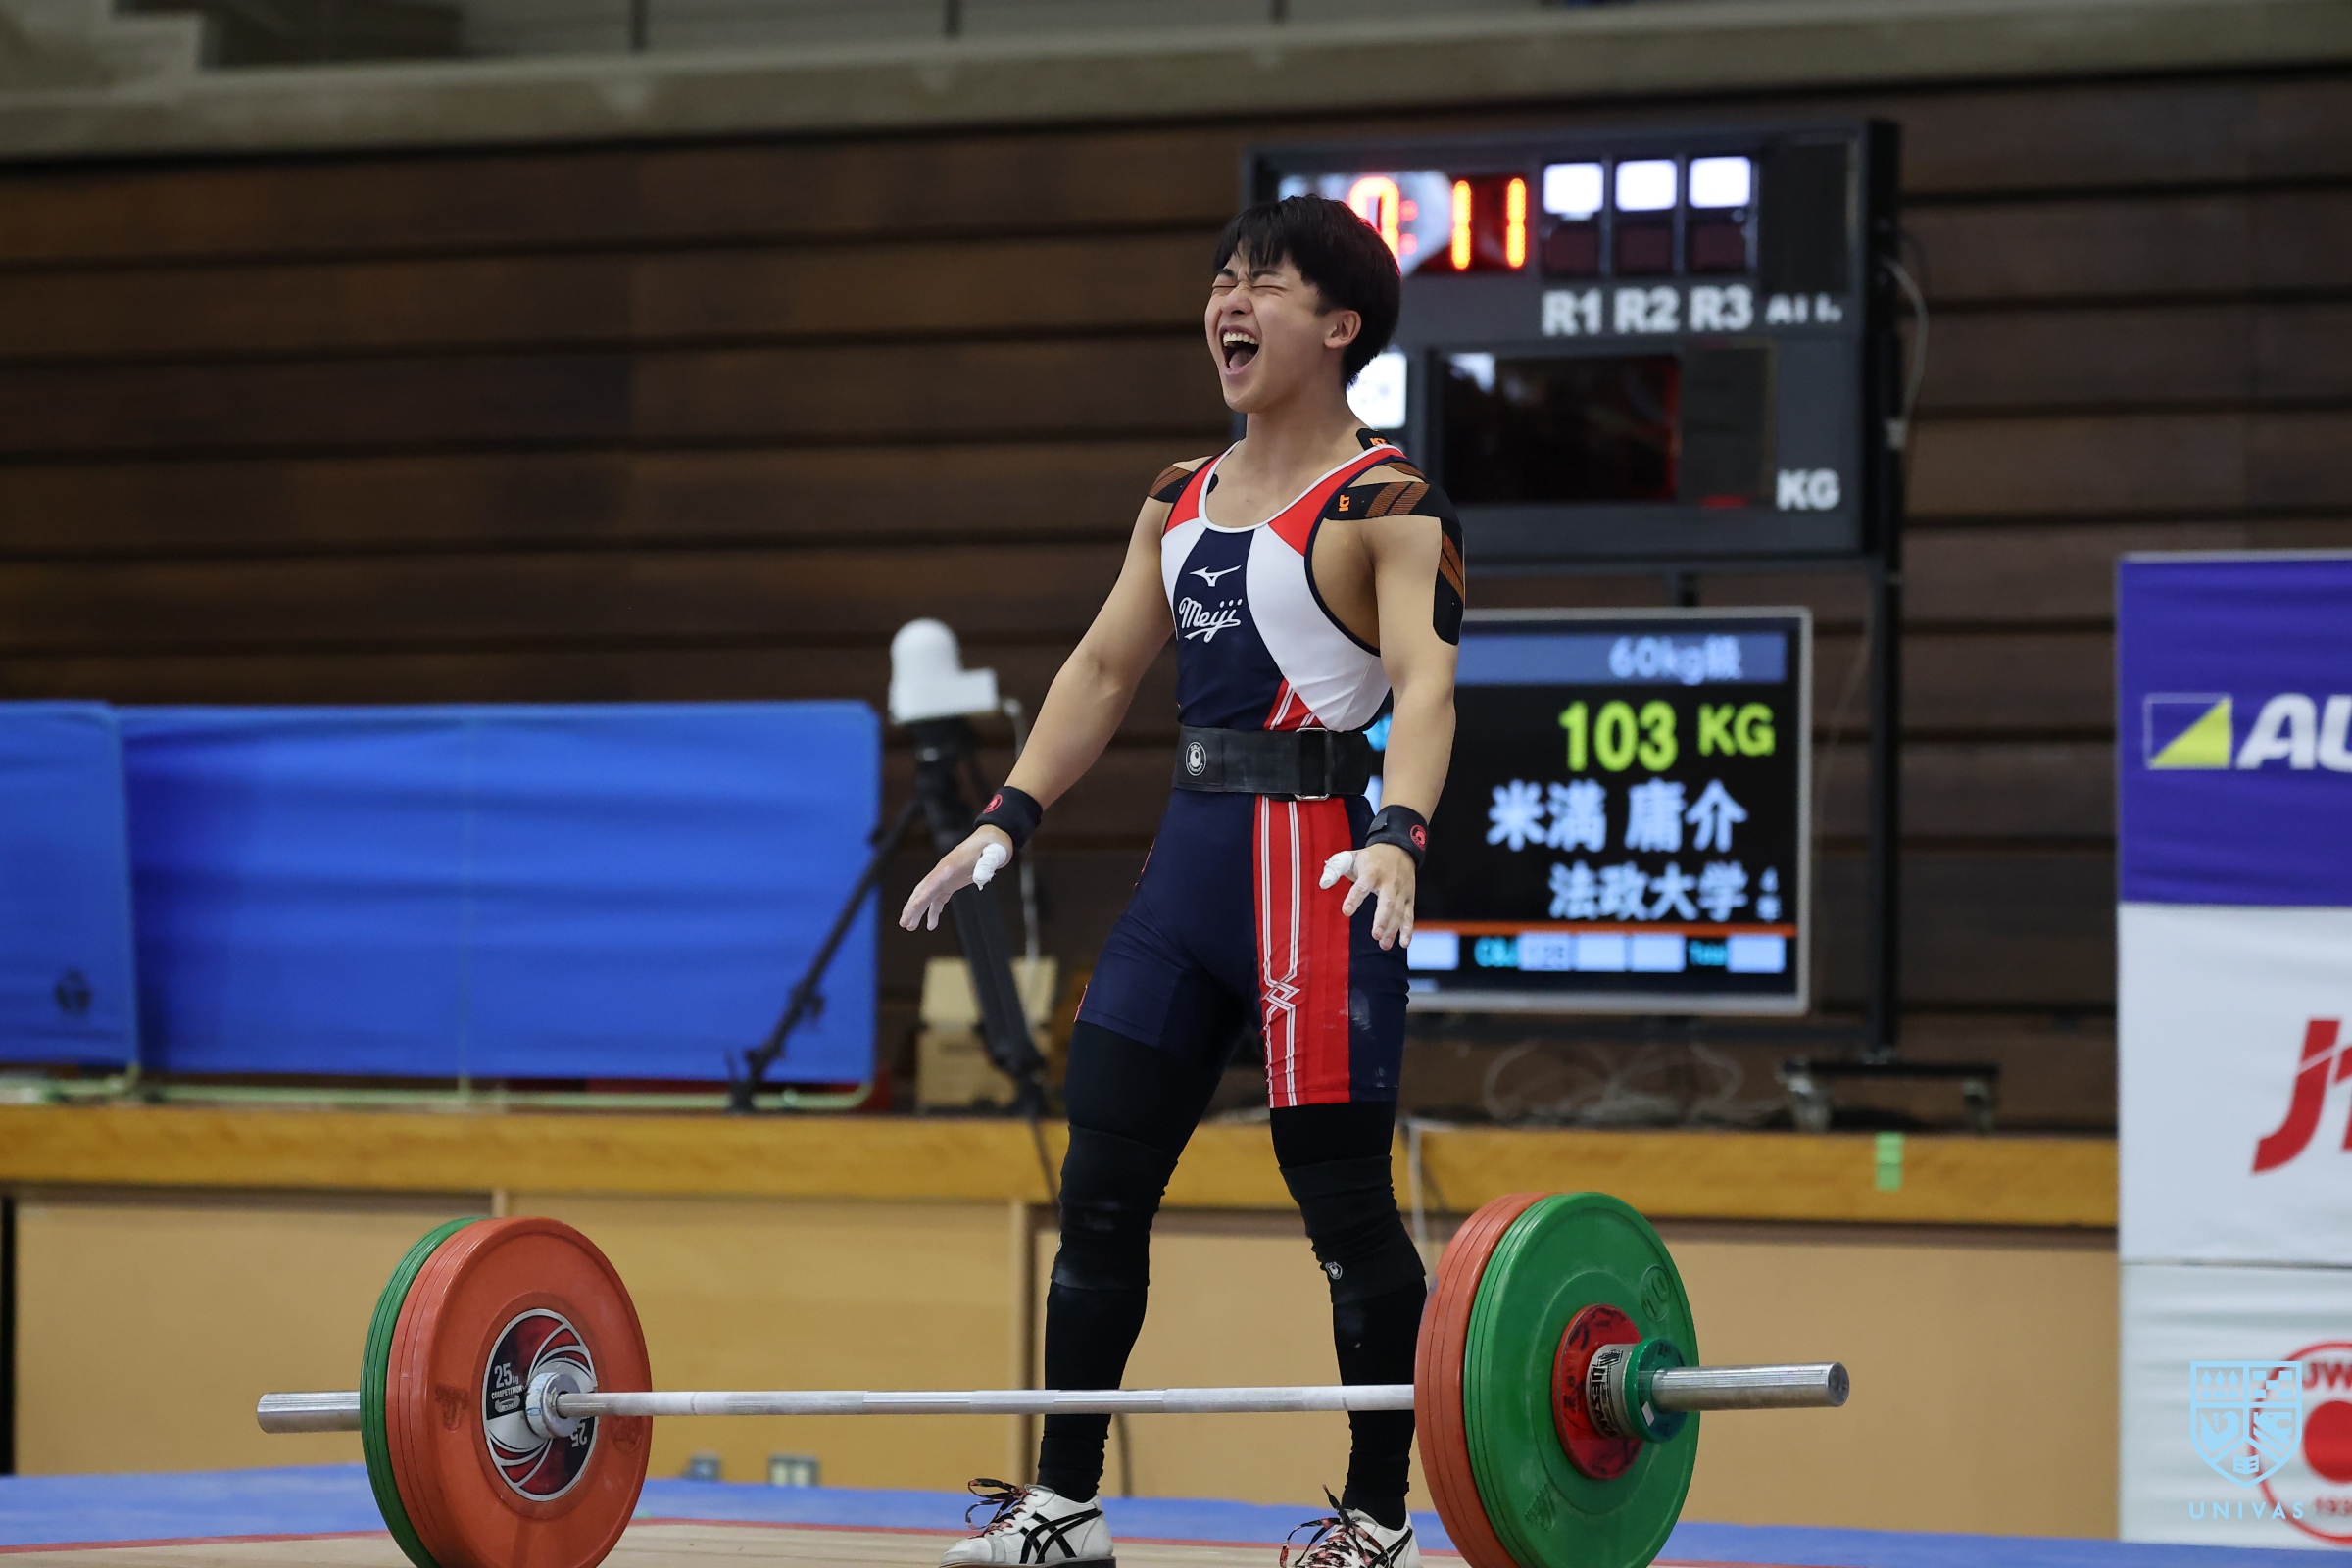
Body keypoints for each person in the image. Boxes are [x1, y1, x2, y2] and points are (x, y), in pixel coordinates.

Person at [901, 193, 1463, 1568]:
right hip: (1184, 884)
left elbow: (1426, 683)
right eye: (1222, 280)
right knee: (1098, 1193)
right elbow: (1102, 669)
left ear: (1341, 327)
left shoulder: (1389, 505)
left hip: (1319, 882)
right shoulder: (1179, 498)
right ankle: (1064, 1508)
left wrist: (1399, 832)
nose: (1230, 301)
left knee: (1346, 1216)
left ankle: (1378, 1519)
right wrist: (1006, 819)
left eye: (1264, 283)